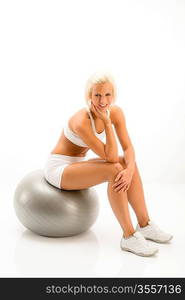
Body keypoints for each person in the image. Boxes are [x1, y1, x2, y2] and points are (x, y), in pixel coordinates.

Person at [44, 72, 173, 257]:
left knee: (126, 162)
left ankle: (145, 224)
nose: (103, 100)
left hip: (78, 164)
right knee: (115, 168)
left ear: (114, 95)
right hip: (59, 169)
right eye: (97, 95)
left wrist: (129, 169)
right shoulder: (81, 121)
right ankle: (129, 236)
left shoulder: (117, 112)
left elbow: (128, 148)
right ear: (89, 96)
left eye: (107, 94)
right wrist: (106, 121)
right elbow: (110, 157)